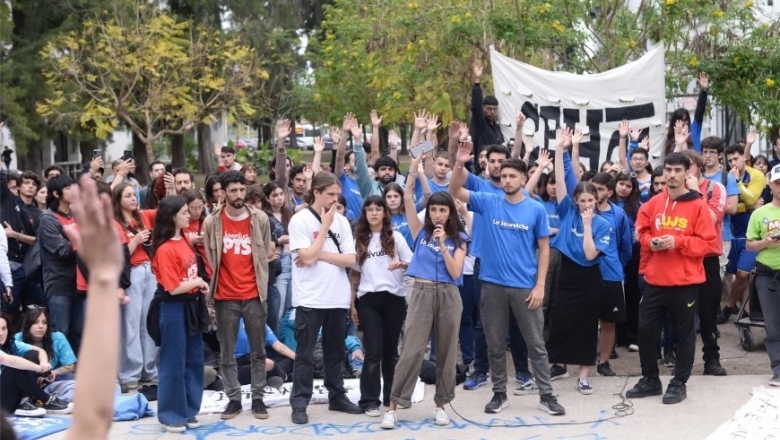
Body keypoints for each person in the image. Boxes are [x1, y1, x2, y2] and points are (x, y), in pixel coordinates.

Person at [450, 141, 567, 416]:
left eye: (512, 176)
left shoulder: (535, 209)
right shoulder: (488, 201)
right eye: (503, 176)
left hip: (525, 287)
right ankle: (499, 393)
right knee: (494, 343)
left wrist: (540, 286)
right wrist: (459, 163)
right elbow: (454, 190)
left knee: (535, 344)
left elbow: (545, 248)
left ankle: (546, 395)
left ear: (524, 179)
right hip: (491, 284)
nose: (506, 180)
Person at [627, 153, 717, 405]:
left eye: (678, 170)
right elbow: (641, 232)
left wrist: (678, 242)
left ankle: (679, 383)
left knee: (683, 336)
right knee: (645, 333)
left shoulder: (699, 205)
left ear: (688, 173)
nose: (672, 174)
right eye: (668, 169)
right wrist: (650, 242)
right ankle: (650, 379)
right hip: (655, 280)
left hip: (685, 283)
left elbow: (708, 244)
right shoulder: (653, 203)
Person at [380, 173, 468, 430]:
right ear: (428, 212)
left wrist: (442, 245)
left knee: (446, 351)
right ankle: (394, 406)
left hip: (449, 295)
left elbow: (454, 272)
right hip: (421, 292)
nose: (438, 214)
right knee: (411, 350)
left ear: (450, 212)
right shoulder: (419, 231)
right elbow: (407, 197)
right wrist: (416, 167)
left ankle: (441, 405)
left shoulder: (459, 239)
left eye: (442, 210)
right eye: (434, 210)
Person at [546, 128, 616, 395]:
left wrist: (588, 226)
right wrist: (560, 148)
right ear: (575, 200)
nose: (586, 203)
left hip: (589, 278)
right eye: (582, 200)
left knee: (587, 326)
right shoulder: (566, 210)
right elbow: (563, 179)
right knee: (560, 322)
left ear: (596, 199)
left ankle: (584, 375)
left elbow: (589, 255)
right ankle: (554, 367)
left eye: (590, 199)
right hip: (567, 275)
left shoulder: (603, 225)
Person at [287, 172, 361, 424]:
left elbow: (351, 259)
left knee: (335, 352)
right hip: (310, 298)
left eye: (337, 194)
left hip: (337, 297)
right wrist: (324, 228)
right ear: (316, 192)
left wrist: (317, 254)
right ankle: (299, 402)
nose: (334, 199)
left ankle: (337, 396)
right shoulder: (300, 220)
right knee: (305, 354)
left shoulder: (342, 221)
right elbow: (305, 258)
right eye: (329, 194)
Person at [203, 171, 273, 421]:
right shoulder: (212, 222)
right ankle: (233, 399)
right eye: (233, 191)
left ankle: (258, 397)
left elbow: (264, 251)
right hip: (225, 295)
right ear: (223, 192)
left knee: (258, 350)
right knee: (227, 352)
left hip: (254, 294)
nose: (238, 195)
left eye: (242, 190)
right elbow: (212, 259)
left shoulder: (260, 218)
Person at [148, 195, 210, 432]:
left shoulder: (184, 238)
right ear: (172, 216)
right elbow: (172, 287)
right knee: (173, 361)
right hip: (172, 307)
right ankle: (170, 414)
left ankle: (188, 410)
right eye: (184, 212)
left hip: (190, 305)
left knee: (193, 359)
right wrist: (198, 281)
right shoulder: (164, 249)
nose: (189, 215)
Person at [349, 195, 412, 417]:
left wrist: (401, 264)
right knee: (373, 350)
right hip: (368, 300)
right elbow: (354, 274)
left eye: (378, 209)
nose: (374, 213)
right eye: (369, 209)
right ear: (365, 213)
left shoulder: (396, 237)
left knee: (390, 351)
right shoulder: (358, 239)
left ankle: (391, 397)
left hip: (394, 298)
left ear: (385, 212)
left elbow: (411, 263)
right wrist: (352, 303)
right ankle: (369, 400)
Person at [113, 182, 159, 390]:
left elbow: (167, 211)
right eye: (128, 195)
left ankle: (149, 370)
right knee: (130, 325)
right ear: (118, 200)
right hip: (131, 274)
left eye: (135, 195)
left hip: (150, 271)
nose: (133, 198)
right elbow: (118, 257)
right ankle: (129, 373)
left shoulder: (144, 217)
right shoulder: (114, 224)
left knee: (148, 323)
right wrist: (136, 240)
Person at [590, 173, 632, 377]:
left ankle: (604, 362)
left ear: (609, 192)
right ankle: (582, 358)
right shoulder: (581, 211)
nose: (594, 192)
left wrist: (613, 265)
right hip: (586, 275)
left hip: (611, 276)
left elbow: (626, 247)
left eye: (599, 189)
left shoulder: (618, 215)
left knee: (609, 321)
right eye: (592, 187)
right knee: (584, 320)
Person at [720, 144, 766, 322]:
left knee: (743, 274)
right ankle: (745, 312)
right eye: (729, 160)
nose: (733, 163)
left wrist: (737, 182)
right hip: (731, 232)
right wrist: (746, 206)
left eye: (736, 159)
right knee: (736, 275)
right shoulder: (726, 176)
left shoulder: (756, 175)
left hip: (751, 233)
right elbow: (728, 206)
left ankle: (729, 307)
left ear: (744, 158)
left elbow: (751, 198)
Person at [39, 175, 82, 353]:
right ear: (56, 193)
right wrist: (83, 239)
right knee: (60, 333)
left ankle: (78, 373)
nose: (74, 190)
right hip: (59, 284)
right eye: (68, 188)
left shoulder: (75, 215)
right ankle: (59, 373)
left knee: (78, 332)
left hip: (79, 283)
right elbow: (62, 251)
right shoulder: (48, 219)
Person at [0, 311, 73, 417]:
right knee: (14, 367)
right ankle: (47, 400)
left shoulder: (11, 343)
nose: (1, 333)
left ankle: (25, 401)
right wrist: (38, 368)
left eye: (4, 328)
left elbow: (39, 351)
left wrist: (44, 365)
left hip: (9, 397)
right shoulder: (19, 337)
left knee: (32, 354)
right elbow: (12, 361)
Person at [746, 164, 780, 386]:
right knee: (773, 323)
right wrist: (765, 243)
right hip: (767, 274)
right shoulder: (760, 213)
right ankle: (778, 368)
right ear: (770, 183)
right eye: (778, 183)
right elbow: (749, 245)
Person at [16, 307, 77, 382]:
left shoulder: (58, 337)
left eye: (44, 322)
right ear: (27, 325)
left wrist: (53, 373)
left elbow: (70, 366)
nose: (41, 326)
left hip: (53, 379)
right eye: (35, 322)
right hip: (26, 381)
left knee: (71, 377)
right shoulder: (17, 339)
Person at [263, 182, 294, 327]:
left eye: (281, 194)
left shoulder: (289, 213)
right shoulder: (265, 217)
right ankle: (275, 344)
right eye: (275, 195)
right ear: (267, 198)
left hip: (293, 262)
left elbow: (307, 204)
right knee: (278, 308)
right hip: (278, 263)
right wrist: (279, 241)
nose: (280, 198)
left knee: (289, 305)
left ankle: (284, 341)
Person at [470, 62, 504, 161]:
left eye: (494, 109)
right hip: (481, 168)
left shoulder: (497, 128)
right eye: (489, 108)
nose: (492, 112)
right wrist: (477, 81)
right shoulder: (480, 124)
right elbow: (476, 105)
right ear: (483, 108)